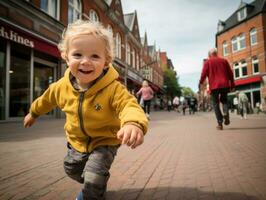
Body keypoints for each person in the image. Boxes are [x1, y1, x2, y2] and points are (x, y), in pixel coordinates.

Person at [23, 20, 148, 200]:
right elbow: (46, 99)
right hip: (76, 142)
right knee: (71, 169)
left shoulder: (113, 89)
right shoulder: (60, 87)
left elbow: (129, 105)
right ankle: (96, 184)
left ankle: (93, 189)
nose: (86, 61)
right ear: (66, 57)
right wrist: (33, 113)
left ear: (107, 61)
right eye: (78, 54)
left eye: (95, 56)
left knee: (93, 177)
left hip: (105, 142)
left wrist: (133, 123)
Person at [199, 48, 235, 130]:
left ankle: (220, 123)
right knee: (224, 100)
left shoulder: (207, 62)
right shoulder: (224, 61)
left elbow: (203, 74)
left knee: (215, 104)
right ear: (216, 53)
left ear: (209, 55)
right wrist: (232, 84)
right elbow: (230, 73)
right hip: (225, 85)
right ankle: (226, 113)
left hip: (214, 86)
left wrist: (201, 82)